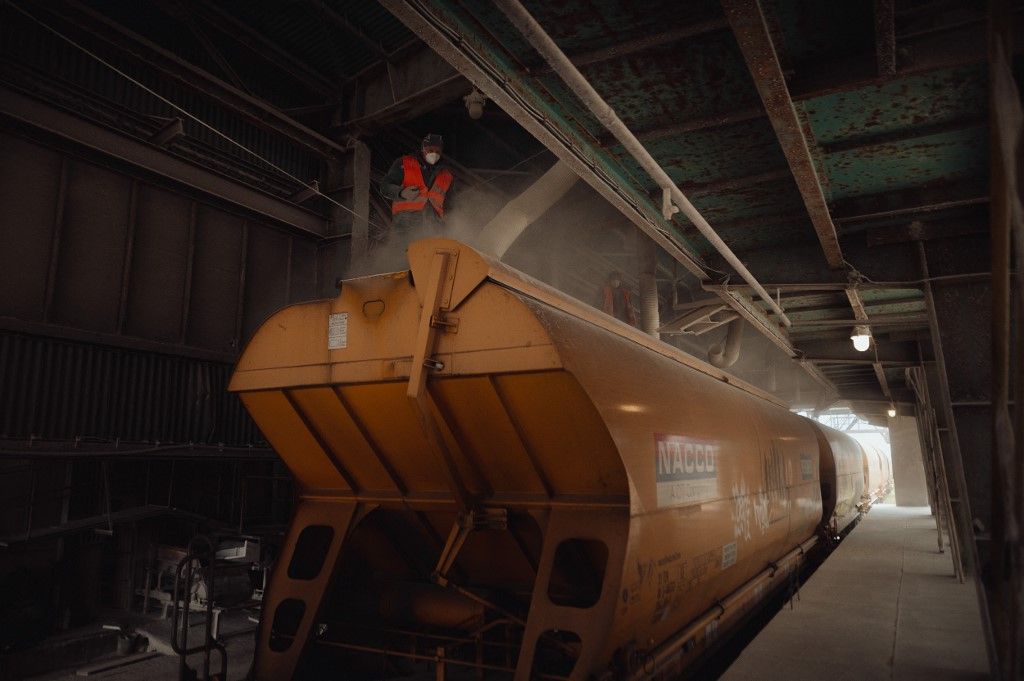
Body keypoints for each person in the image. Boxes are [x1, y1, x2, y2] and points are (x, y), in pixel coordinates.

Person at [380, 133, 454, 237]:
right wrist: (401, 193)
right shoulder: (404, 163)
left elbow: (450, 206)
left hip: (435, 229)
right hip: (406, 227)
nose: (434, 154)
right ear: (423, 149)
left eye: (438, 151)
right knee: (402, 253)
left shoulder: (446, 176)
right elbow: (385, 186)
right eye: (430, 150)